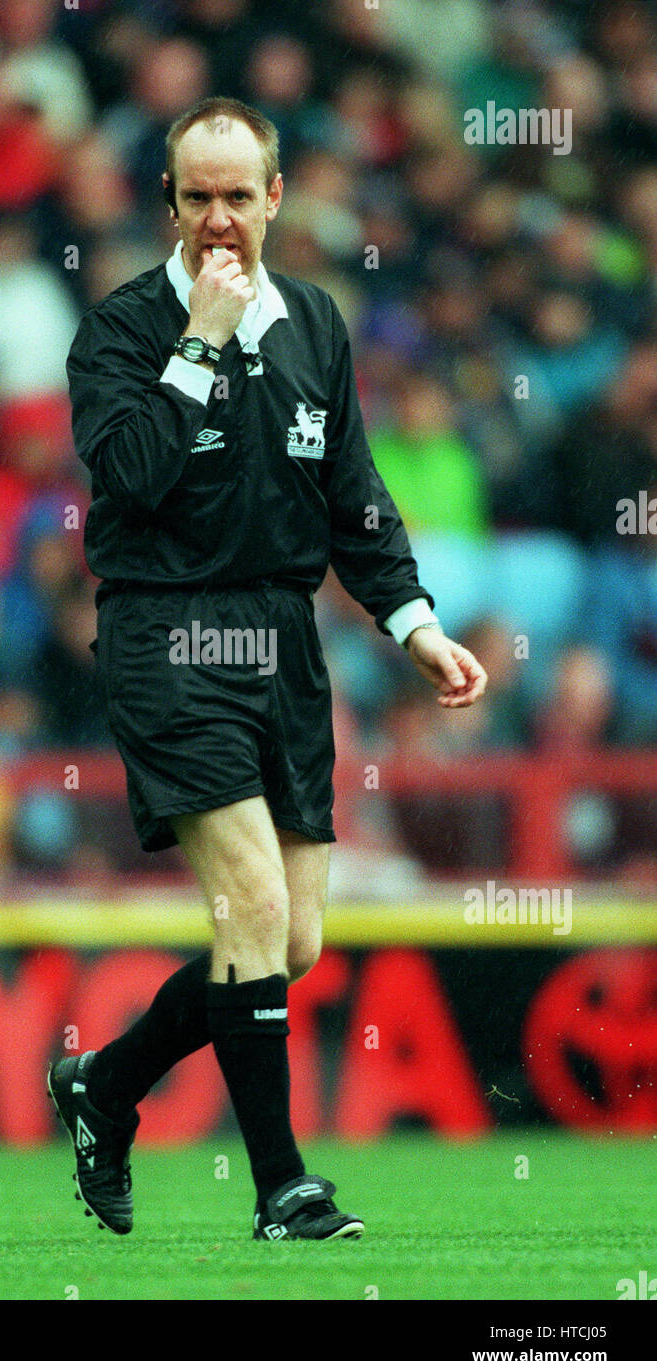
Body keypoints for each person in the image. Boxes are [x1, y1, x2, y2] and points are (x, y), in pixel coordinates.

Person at [50, 97, 487, 1241]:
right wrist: (195, 339)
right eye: (195, 198)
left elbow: (352, 495)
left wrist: (412, 622)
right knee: (245, 904)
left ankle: (102, 1084)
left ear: (276, 197)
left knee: (289, 943)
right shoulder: (120, 330)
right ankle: (283, 1189)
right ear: (168, 203)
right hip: (168, 632)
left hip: (281, 641)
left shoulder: (316, 326)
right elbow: (131, 478)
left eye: (237, 196)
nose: (218, 221)